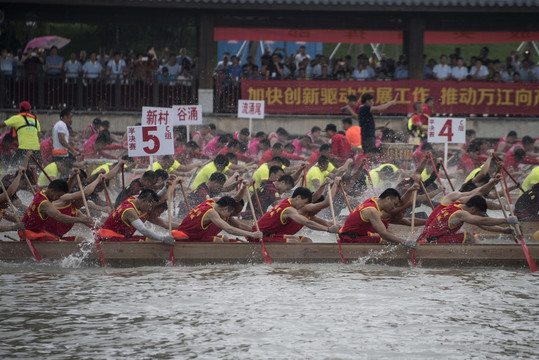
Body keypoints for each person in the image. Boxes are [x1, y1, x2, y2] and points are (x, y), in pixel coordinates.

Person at [417, 180, 517, 244]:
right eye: (478, 213)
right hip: (430, 241)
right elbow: (483, 220)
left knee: (469, 235)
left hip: (430, 237)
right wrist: (506, 220)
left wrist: (504, 230)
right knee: (470, 236)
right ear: (473, 209)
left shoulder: (458, 202)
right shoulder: (461, 213)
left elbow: (484, 225)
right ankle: (481, 257)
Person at [248, 187, 339, 243]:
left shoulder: (287, 201)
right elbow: (306, 222)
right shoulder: (289, 210)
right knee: (294, 240)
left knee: (307, 241)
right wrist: (327, 229)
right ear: (298, 197)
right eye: (305, 203)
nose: (304, 206)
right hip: (258, 236)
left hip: (269, 235)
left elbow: (314, 197)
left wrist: (324, 184)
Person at [21, 179, 94, 240]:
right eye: (58, 195)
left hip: (34, 231)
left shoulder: (42, 192)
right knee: (64, 245)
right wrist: (81, 220)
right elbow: (60, 217)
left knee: (80, 240)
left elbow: (67, 187)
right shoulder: (45, 204)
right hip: (31, 234)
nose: (58, 198)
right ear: (52, 191)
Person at [338, 188, 413, 245]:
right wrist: (405, 242)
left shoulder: (372, 200)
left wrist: (411, 189)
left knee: (391, 236)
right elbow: (384, 234)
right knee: (387, 240)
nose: (394, 208)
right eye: (394, 204)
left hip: (354, 234)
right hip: (350, 239)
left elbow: (401, 203)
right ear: (387, 199)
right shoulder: (372, 211)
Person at [99, 188, 175, 244]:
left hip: (120, 237)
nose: (150, 208)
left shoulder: (134, 199)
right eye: (150, 205)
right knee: (148, 241)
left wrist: (165, 187)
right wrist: (163, 238)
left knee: (151, 240)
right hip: (108, 238)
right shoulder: (130, 211)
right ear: (144, 201)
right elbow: (143, 230)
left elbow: (153, 196)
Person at [176, 196, 262, 242]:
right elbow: (229, 229)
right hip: (187, 238)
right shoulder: (211, 213)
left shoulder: (210, 201)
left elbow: (236, 198)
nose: (228, 217)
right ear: (225, 209)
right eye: (229, 213)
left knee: (225, 238)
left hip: (195, 235)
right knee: (218, 241)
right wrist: (252, 235)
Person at [0, 101, 41, 165]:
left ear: (20, 110)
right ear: (30, 110)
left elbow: (2, 124)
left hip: (23, 149)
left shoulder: (17, 118)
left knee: (13, 166)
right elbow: (39, 136)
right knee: (37, 170)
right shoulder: (36, 120)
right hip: (36, 150)